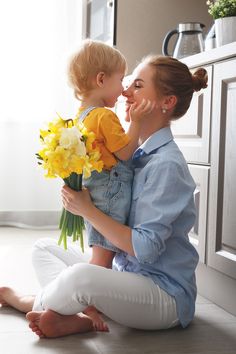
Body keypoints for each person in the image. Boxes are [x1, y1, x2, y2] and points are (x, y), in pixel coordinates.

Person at [0, 54, 208, 338]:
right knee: (44, 248)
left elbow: (145, 249)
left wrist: (88, 211)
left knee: (80, 278)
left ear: (166, 102)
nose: (124, 92)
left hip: (163, 295)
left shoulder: (166, 165)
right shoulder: (134, 155)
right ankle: (80, 316)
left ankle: (24, 301)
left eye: (137, 85)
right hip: (126, 278)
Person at [67, 40, 153, 328]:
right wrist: (137, 122)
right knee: (101, 262)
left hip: (96, 192)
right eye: (121, 80)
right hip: (111, 194)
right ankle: (76, 308)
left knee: (99, 256)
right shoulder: (104, 115)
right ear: (101, 79)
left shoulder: (79, 116)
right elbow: (126, 152)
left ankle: (82, 306)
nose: (123, 89)